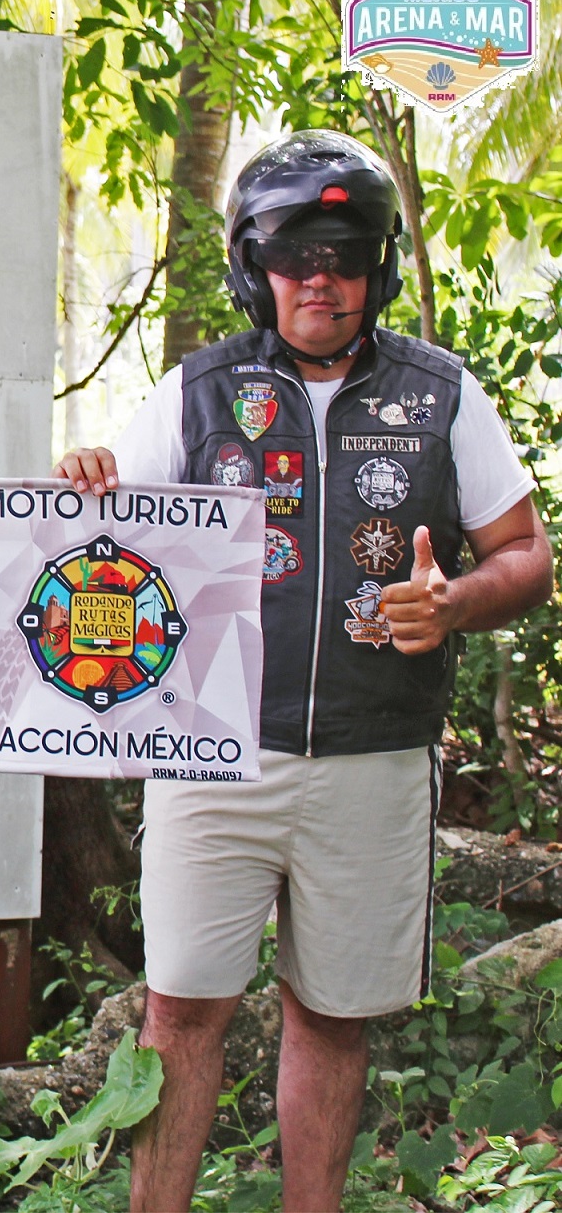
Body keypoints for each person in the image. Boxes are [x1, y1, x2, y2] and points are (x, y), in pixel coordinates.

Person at [54, 129, 554, 1212]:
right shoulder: (195, 392)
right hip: (211, 761)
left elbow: (526, 554)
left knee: (330, 1015)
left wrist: (455, 601)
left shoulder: (440, 396)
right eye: (295, 254)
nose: (319, 275)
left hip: (374, 762)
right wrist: (86, 483)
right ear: (254, 266)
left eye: (343, 251)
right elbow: (102, 553)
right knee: (180, 1011)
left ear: (376, 265)